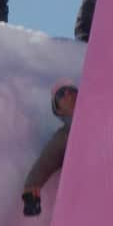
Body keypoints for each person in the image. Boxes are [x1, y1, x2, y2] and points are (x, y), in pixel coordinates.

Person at [21, 81, 79, 216]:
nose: (67, 92)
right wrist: (31, 189)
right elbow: (46, 161)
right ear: (58, 110)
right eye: (61, 93)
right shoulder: (65, 135)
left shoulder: (104, 109)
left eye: (71, 89)